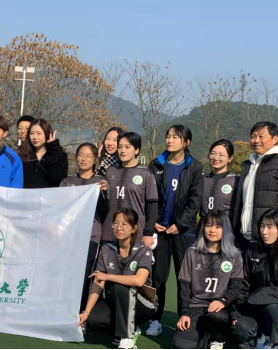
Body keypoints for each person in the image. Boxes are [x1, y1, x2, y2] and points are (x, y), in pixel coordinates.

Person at [146, 125, 204, 337]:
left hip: (184, 232)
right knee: (158, 278)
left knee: (185, 278)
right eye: (168, 136)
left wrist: (180, 224)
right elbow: (149, 197)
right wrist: (153, 222)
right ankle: (155, 319)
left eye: (175, 137)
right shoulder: (156, 164)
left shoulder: (195, 167)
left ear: (186, 142)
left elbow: (195, 200)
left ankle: (184, 319)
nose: (170, 140)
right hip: (160, 230)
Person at [78, 209, 157, 350]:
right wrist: (86, 312)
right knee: (94, 320)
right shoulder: (106, 249)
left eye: (124, 224)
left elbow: (139, 281)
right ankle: (125, 328)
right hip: (117, 301)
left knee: (120, 287)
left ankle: (128, 337)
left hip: (143, 305)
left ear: (134, 228)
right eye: (115, 223)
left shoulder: (144, 251)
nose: (118, 228)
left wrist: (108, 276)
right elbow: (98, 282)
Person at [173, 211, 245, 350]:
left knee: (217, 317)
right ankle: (204, 334)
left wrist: (223, 301)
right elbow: (184, 287)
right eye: (208, 225)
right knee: (182, 345)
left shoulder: (234, 256)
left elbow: (236, 287)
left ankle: (218, 338)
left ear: (225, 230)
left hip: (219, 308)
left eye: (218, 226)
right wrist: (184, 313)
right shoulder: (191, 253)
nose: (212, 230)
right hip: (196, 306)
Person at [60, 143, 108, 312]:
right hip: (69, 235)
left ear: (95, 160)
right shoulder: (67, 182)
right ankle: (65, 310)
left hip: (90, 236)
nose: (84, 159)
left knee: (86, 274)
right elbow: (59, 207)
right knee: (67, 273)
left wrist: (104, 193)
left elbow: (105, 211)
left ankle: (82, 314)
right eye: (81, 155)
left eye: (88, 156)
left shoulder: (100, 182)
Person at [101, 132, 158, 248]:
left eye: (127, 147)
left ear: (136, 150)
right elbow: (104, 203)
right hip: (110, 233)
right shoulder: (110, 171)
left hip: (134, 234)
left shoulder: (146, 174)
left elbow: (152, 206)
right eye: (120, 147)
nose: (123, 150)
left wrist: (148, 233)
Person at [234, 210, 278, 349]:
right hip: (256, 307)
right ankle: (262, 336)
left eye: (270, 227)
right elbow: (243, 285)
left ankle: (274, 342)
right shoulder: (252, 252)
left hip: (273, 309)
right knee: (242, 328)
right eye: (262, 226)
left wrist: (257, 296)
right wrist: (236, 312)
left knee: (272, 307)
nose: (264, 232)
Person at [233, 122, 278, 252]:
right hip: (246, 238)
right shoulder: (248, 165)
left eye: (261, 136)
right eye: (253, 136)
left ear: (275, 139)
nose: (256, 140)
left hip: (270, 240)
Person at [19, 119, 68, 189]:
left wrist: (54, 148)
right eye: (32, 133)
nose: (35, 137)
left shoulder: (58, 154)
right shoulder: (23, 156)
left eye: (39, 133)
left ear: (47, 134)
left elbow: (59, 178)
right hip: (27, 195)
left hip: (50, 195)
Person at [200, 140, 240, 219]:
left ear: (230, 158)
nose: (216, 158)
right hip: (204, 224)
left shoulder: (236, 180)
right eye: (213, 154)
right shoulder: (202, 179)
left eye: (221, 155)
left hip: (226, 224)